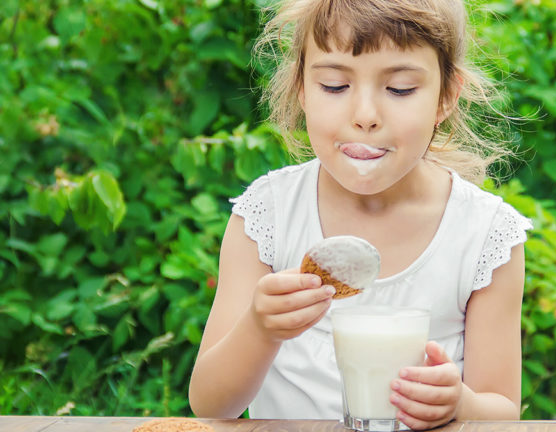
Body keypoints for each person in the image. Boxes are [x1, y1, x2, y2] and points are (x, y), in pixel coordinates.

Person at [188, 0, 532, 429]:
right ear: (301, 89)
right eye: (334, 86)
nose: (365, 116)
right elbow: (210, 406)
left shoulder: (484, 234)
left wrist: (462, 405)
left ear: (445, 96)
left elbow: (503, 411)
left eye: (400, 89)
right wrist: (261, 329)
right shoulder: (270, 215)